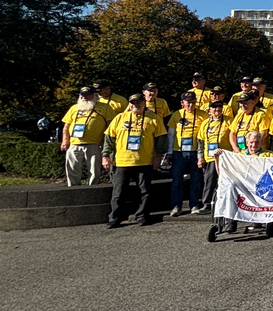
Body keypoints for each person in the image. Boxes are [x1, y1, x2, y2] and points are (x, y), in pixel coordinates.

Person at [102, 93, 167, 228]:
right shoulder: (119, 118)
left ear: (143, 103)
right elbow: (109, 137)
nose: (135, 105)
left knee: (144, 191)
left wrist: (158, 157)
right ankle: (115, 218)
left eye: (138, 102)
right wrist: (105, 156)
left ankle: (142, 216)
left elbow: (161, 139)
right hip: (122, 161)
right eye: (132, 103)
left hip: (145, 161)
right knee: (118, 193)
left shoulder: (153, 118)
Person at [60, 85, 113, 186]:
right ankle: (73, 189)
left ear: (94, 95)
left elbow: (110, 127)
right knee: (72, 169)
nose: (84, 97)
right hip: (74, 144)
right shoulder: (74, 108)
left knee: (94, 171)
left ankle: (92, 190)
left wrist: (105, 143)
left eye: (87, 95)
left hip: (95, 144)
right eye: (82, 95)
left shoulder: (104, 107)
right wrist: (65, 141)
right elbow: (66, 126)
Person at [168, 92, 204, 215]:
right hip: (179, 152)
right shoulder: (176, 115)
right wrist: (169, 152)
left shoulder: (203, 115)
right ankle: (176, 206)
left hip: (195, 151)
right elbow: (171, 134)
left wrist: (201, 155)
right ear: (183, 103)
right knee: (177, 180)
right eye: (188, 102)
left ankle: (194, 204)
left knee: (196, 180)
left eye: (193, 102)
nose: (191, 105)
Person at [198, 99, 230, 214]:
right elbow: (200, 142)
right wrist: (200, 157)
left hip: (225, 157)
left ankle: (227, 203)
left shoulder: (229, 121)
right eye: (214, 107)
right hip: (210, 157)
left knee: (226, 181)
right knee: (209, 181)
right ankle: (207, 204)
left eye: (219, 107)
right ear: (210, 109)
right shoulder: (205, 123)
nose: (217, 109)